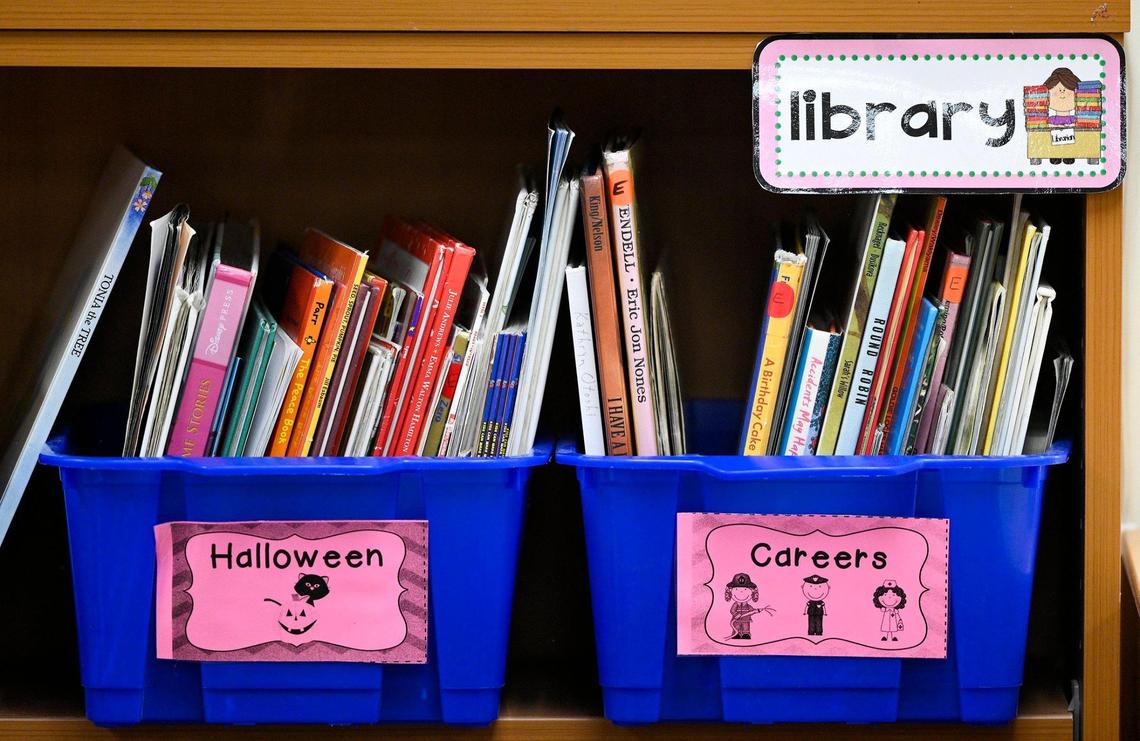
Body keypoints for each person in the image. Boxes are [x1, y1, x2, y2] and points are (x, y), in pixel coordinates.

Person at [724, 572, 774, 640]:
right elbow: (732, 610)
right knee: (737, 627)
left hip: (746, 620)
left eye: (745, 589)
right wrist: (735, 614)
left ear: (752, 593)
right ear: (730, 593)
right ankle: (736, 634)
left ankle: (746, 634)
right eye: (736, 589)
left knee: (746, 628)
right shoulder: (735, 604)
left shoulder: (748, 606)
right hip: (736, 620)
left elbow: (752, 611)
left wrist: (757, 610)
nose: (741, 592)